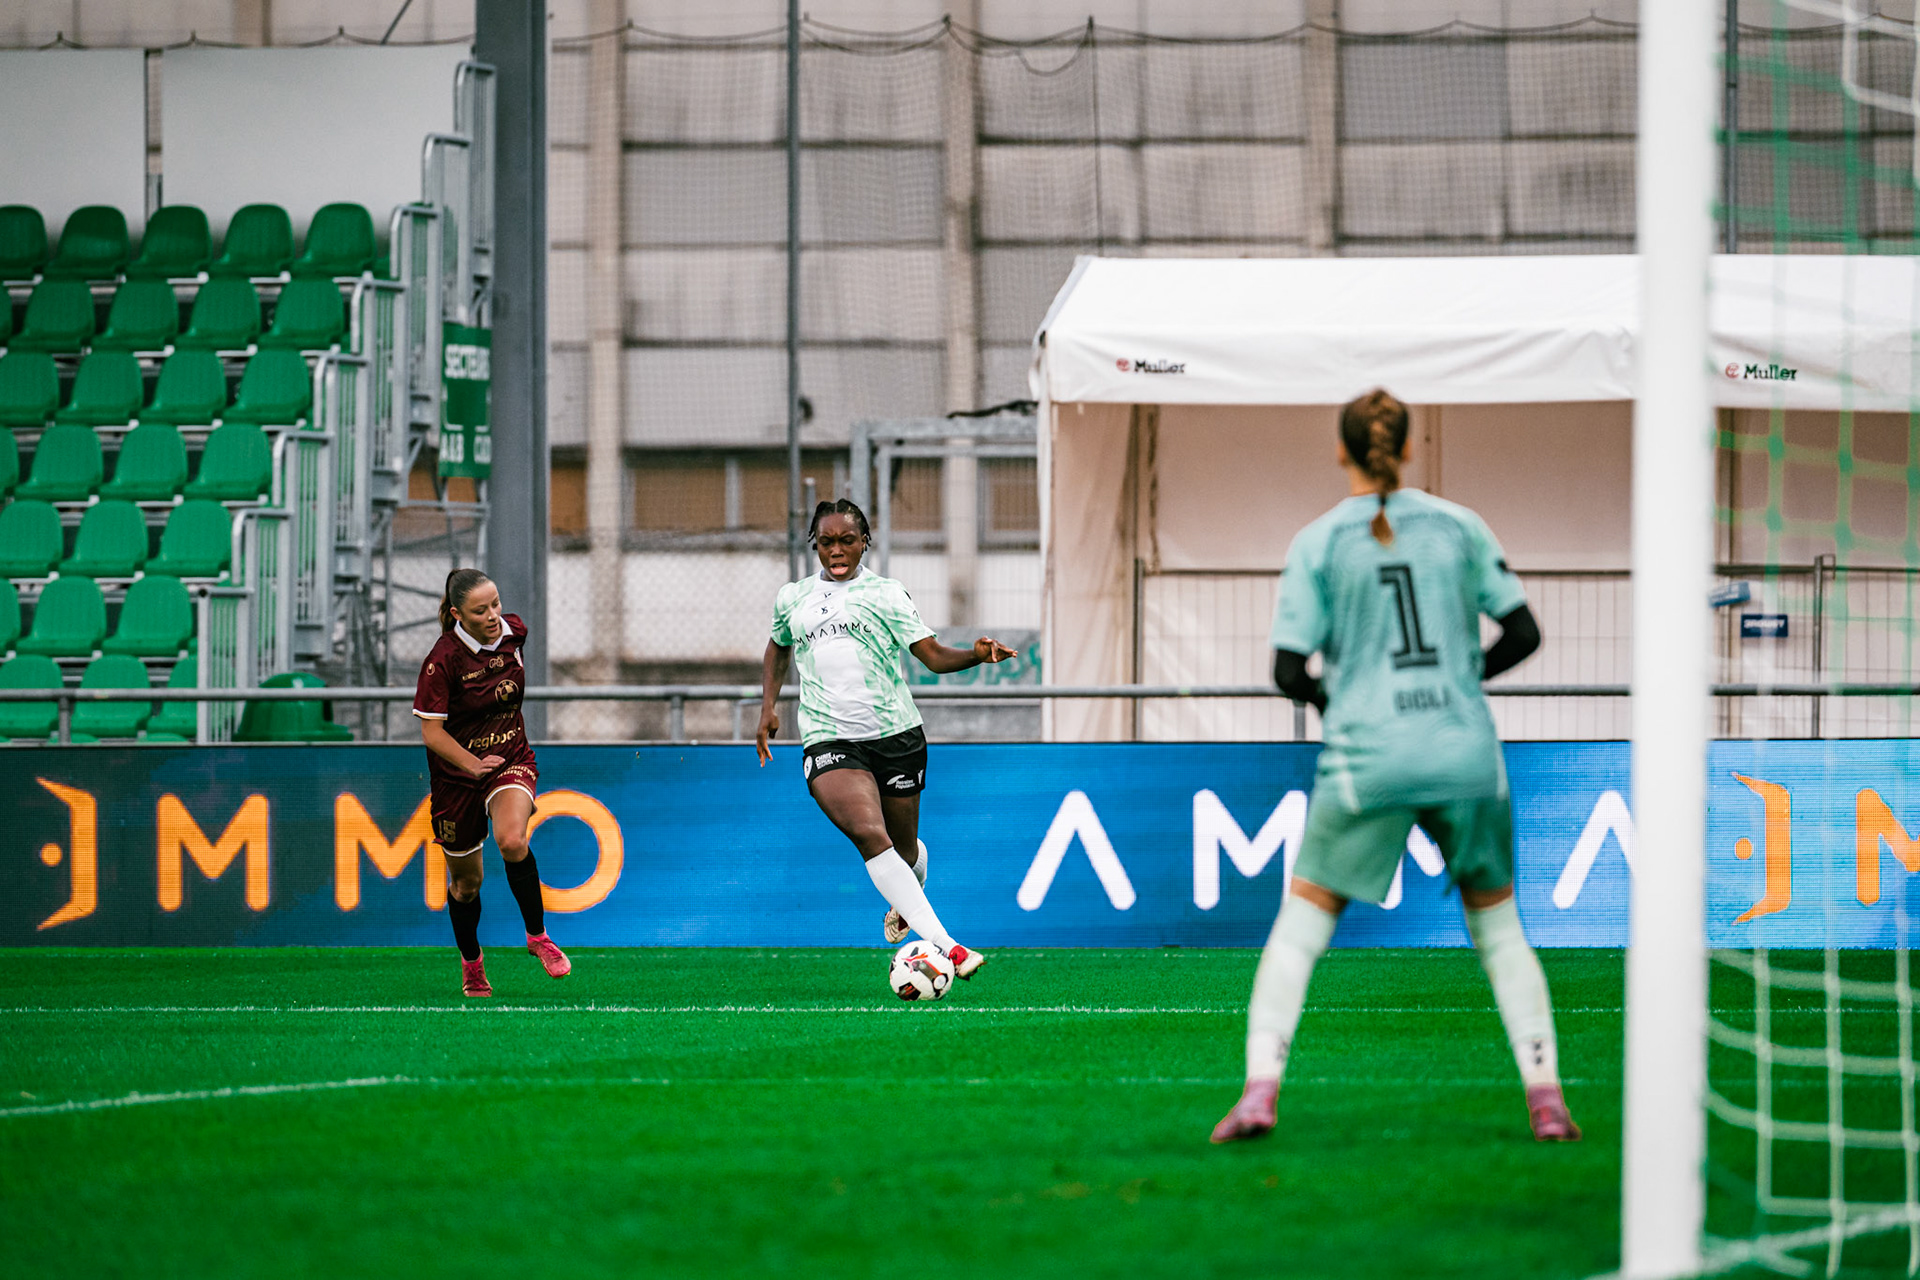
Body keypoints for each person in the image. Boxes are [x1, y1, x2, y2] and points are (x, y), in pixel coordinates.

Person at [1211, 389, 1578, 1144]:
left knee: (1302, 925)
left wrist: (1334, 700)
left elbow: (1286, 670)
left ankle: (1259, 1093)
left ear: (1342, 451)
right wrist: (1459, 677)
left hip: (1367, 756)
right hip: (1464, 751)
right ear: (1409, 449)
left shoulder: (1320, 542)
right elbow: (1525, 631)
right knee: (1501, 929)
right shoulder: (1459, 526)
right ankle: (1546, 1100)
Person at [755, 498, 1015, 976]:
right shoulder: (792, 597)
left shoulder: (887, 594)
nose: (837, 550)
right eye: (827, 541)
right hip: (829, 739)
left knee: (905, 849)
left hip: (897, 736)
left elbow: (932, 656)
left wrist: (977, 655)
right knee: (870, 835)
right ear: (815, 544)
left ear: (864, 543)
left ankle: (907, 895)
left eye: (847, 540)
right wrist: (769, 706)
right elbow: (778, 644)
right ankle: (950, 948)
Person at [413, 568, 571, 997]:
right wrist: (470, 764)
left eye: (495, 603)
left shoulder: (513, 631)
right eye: (480, 610)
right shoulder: (441, 661)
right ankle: (472, 963)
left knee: (513, 840)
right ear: (456, 614)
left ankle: (538, 937)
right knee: (467, 885)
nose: (493, 615)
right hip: (457, 779)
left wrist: (491, 764)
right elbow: (431, 733)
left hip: (510, 760)